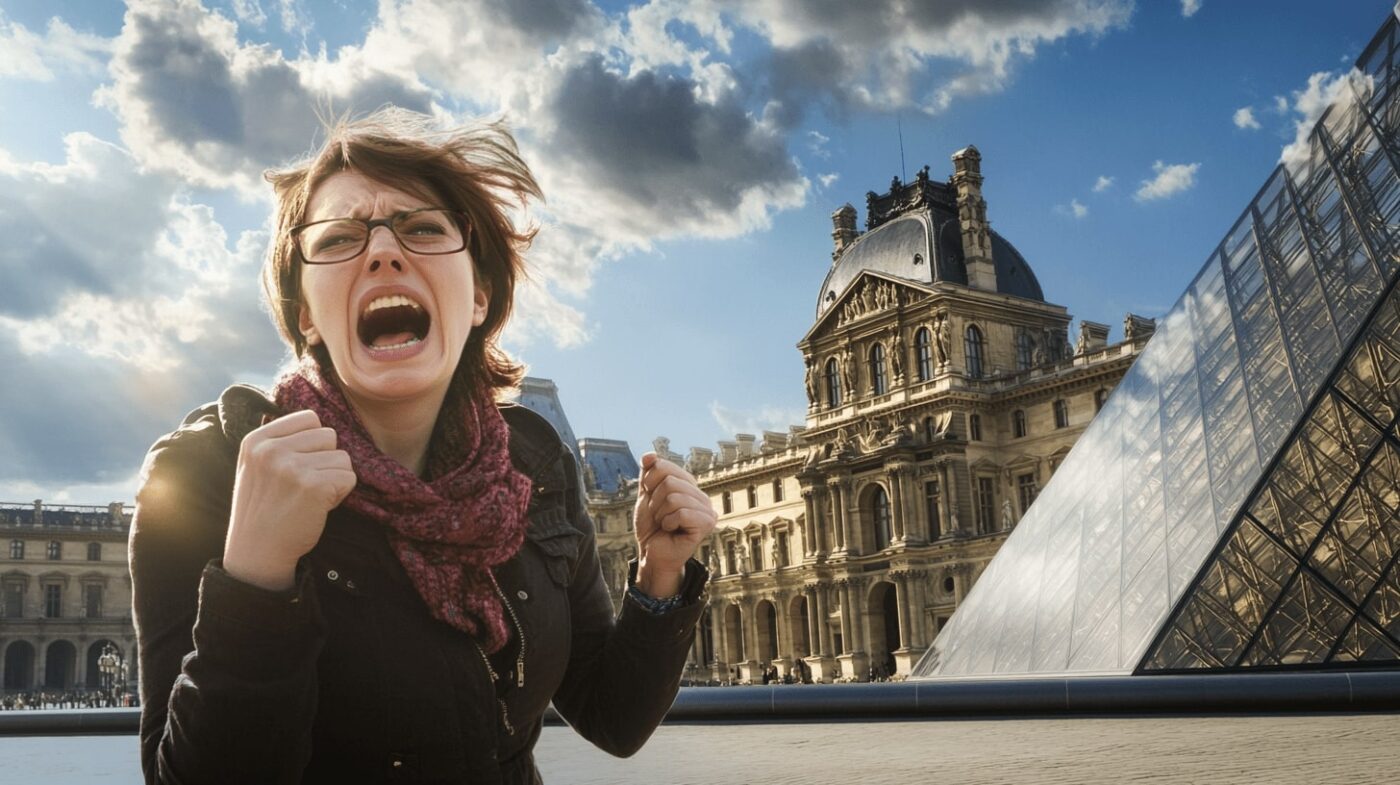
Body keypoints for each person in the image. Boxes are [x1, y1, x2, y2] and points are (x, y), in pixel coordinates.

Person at [128, 109, 716, 785]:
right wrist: (256, 579)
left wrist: (660, 575)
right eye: (340, 237)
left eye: (423, 227)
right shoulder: (208, 472)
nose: (383, 251)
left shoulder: (534, 462)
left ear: (478, 296)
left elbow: (610, 715)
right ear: (305, 316)